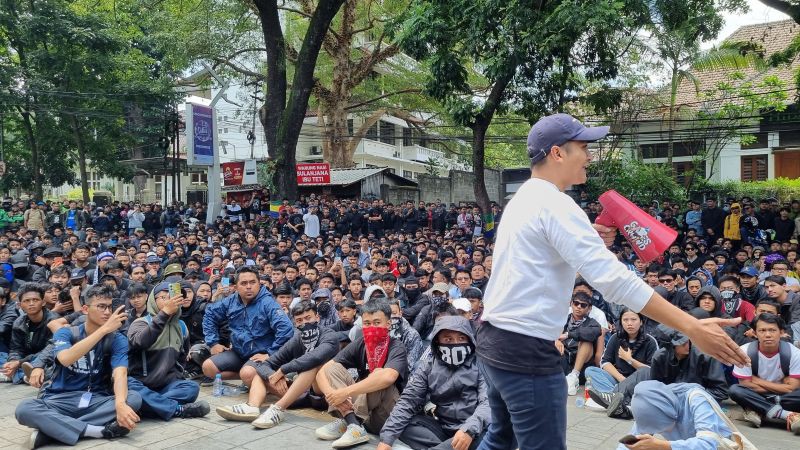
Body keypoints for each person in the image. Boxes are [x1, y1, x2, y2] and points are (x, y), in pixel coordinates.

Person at [476, 113, 747, 450]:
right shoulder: (557, 205)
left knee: (500, 438)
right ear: (557, 153)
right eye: (583, 147)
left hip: (495, 340)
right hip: (525, 349)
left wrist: (586, 235)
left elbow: (539, 262)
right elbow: (615, 281)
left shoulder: (524, 199)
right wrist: (692, 326)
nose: (589, 156)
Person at [14, 286, 142, 448]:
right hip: (59, 399)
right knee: (24, 409)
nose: (108, 312)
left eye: (110, 307)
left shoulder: (117, 339)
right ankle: (97, 431)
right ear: (85, 309)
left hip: (95, 399)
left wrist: (120, 404)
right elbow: (65, 358)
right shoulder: (66, 333)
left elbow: (120, 374)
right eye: (101, 306)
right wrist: (103, 330)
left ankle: (51, 431)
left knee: (133, 398)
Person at [216, 300, 340, 428]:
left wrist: (282, 370)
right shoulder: (297, 339)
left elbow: (315, 357)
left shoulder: (329, 336)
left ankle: (278, 409)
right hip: (300, 393)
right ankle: (251, 407)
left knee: (313, 365)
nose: (304, 323)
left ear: (317, 318)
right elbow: (266, 364)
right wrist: (273, 376)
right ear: (295, 323)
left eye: (308, 318)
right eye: (299, 320)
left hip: (326, 395)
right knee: (260, 374)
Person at [378, 316, 490, 450]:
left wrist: (469, 429)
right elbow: (408, 401)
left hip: (476, 430)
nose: (455, 343)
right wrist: (386, 440)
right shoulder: (428, 366)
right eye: (448, 339)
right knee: (405, 425)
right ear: (438, 341)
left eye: (461, 338)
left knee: (494, 432)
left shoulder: (481, 363)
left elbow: (488, 403)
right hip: (444, 428)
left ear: (469, 339)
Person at [314, 298, 407, 448]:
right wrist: (333, 395)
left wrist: (344, 392)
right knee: (331, 368)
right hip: (362, 408)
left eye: (377, 323)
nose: (371, 327)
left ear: (388, 324)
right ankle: (352, 423)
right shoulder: (360, 343)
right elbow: (322, 373)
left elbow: (389, 377)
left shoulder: (397, 346)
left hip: (386, 415)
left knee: (379, 374)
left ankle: (350, 421)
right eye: (367, 323)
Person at [126, 282, 210, 421]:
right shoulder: (141, 322)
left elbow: (182, 357)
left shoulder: (181, 326)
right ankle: (177, 409)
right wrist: (164, 313)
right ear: (153, 300)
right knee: (129, 386)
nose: (169, 301)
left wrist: (176, 376)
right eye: (163, 297)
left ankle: (148, 407)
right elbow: (140, 342)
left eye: (172, 297)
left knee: (191, 388)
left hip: (167, 385)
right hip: (141, 383)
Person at [201, 266, 294, 385]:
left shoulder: (268, 303)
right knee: (208, 367)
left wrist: (271, 353)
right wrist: (213, 343)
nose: (249, 286)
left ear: (259, 284)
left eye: (253, 282)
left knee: (248, 373)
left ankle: (258, 377)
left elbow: (286, 329)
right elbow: (210, 314)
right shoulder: (231, 300)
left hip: (261, 353)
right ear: (236, 287)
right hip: (239, 352)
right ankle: (251, 378)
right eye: (244, 283)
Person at [617, 381, 744, 450]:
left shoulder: (697, 400)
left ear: (670, 412)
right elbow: (628, 444)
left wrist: (662, 446)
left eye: (664, 426)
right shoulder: (648, 408)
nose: (665, 431)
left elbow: (708, 444)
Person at [730, 313, 800, 433]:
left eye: (772, 330)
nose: (768, 335)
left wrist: (757, 380)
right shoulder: (744, 351)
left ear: (782, 332)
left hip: (768, 397)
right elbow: (746, 385)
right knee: (735, 390)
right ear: (755, 333)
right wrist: (782, 386)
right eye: (762, 330)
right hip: (767, 395)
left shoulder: (794, 353)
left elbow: (792, 388)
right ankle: (786, 415)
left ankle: (758, 409)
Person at [585, 307, 657, 395]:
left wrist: (629, 360)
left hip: (639, 383)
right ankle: (616, 395)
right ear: (621, 322)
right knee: (590, 371)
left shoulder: (650, 341)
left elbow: (652, 371)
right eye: (625, 320)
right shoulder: (615, 338)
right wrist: (622, 380)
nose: (629, 323)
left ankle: (615, 396)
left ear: (641, 321)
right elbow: (604, 362)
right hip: (619, 379)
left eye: (634, 319)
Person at [558, 292, 602, 395]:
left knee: (586, 341)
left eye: (583, 305)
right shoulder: (562, 319)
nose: (578, 307)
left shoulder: (593, 323)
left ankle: (574, 377)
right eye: (576, 303)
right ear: (571, 304)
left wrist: (569, 334)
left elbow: (594, 332)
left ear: (589, 308)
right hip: (563, 361)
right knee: (553, 342)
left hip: (581, 367)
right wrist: (555, 340)